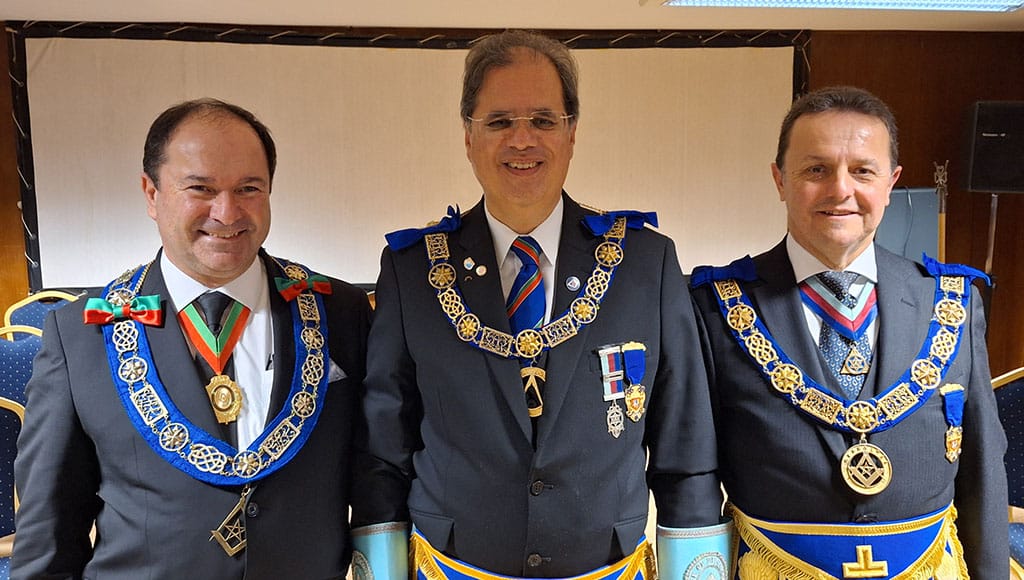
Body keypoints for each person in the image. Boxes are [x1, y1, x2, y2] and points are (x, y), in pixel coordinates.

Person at [351, 30, 729, 580]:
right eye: (500, 121)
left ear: (572, 133)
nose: (522, 140)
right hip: (454, 568)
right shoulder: (411, 272)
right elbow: (383, 450)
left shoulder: (645, 264)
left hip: (606, 569)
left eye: (544, 121)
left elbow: (685, 451)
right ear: (468, 135)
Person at [12, 98, 372, 579]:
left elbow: (377, 481)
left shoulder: (341, 312)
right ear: (151, 193)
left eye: (249, 188)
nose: (227, 213)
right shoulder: (79, 337)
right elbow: (48, 536)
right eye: (200, 188)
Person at [689, 86, 1008, 577]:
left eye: (862, 170)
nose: (841, 190)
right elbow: (693, 474)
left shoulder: (953, 301)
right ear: (779, 179)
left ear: (891, 182)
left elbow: (982, 472)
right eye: (816, 170)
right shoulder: (713, 306)